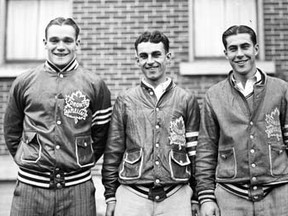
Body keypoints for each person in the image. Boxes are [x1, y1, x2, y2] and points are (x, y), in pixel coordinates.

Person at [4, 17, 112, 216]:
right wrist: (31, 159)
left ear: (77, 43)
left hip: (77, 189)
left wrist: (77, 160)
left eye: (67, 41)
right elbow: (12, 132)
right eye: (54, 40)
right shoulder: (24, 82)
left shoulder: (95, 85)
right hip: (31, 189)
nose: (60, 47)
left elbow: (100, 136)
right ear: (45, 43)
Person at [101, 30, 200, 216]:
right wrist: (110, 196)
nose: (150, 61)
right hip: (132, 195)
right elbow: (113, 150)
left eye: (156, 54)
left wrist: (196, 195)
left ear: (168, 57)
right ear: (137, 60)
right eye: (143, 56)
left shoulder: (186, 99)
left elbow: (195, 152)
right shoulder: (125, 100)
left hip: (176, 195)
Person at [196, 25, 288, 216]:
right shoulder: (214, 95)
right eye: (233, 49)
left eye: (245, 47)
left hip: (278, 193)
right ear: (226, 53)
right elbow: (206, 149)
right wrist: (206, 197)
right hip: (230, 196)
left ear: (255, 49)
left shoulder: (281, 89)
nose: (240, 54)